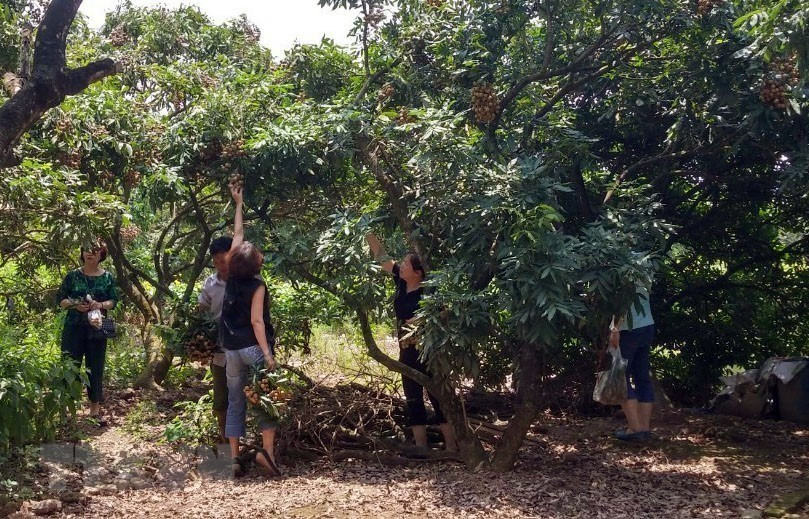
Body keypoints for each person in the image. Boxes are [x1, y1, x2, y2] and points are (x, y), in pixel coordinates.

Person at [365, 233, 457, 452]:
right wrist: (368, 233)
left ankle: (452, 446)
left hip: (428, 351)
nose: (401, 265)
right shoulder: (401, 280)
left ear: (418, 272)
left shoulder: (429, 291)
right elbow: (382, 257)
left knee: (437, 397)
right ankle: (421, 447)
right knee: (413, 397)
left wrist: (423, 318)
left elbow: (448, 310)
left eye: (406, 263)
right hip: (406, 349)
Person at [221, 239, 280, 477]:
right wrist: (267, 354)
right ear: (256, 263)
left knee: (235, 401)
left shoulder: (230, 280)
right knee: (265, 399)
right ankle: (267, 452)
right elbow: (257, 321)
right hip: (252, 347)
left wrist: (238, 205)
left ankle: (234, 458)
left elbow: (236, 237)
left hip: (231, 349)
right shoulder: (258, 285)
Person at [198, 185, 244, 443]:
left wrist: (238, 203)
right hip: (219, 348)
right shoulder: (210, 284)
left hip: (243, 346)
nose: (220, 264)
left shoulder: (243, 280)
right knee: (221, 395)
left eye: (224, 259)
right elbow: (202, 310)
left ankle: (241, 439)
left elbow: (239, 235)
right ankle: (226, 439)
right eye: (216, 261)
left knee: (246, 393)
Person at [57, 242, 119, 425]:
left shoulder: (108, 277)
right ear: (82, 253)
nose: (90, 253)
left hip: (97, 327)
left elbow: (113, 300)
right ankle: (68, 408)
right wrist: (76, 305)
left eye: (95, 250)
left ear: (102, 254)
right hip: (73, 327)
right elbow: (60, 299)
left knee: (96, 365)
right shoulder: (72, 276)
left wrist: (100, 305)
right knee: (70, 365)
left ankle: (94, 409)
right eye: (86, 249)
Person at [610, 287, 655, 441]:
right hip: (647, 324)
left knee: (621, 377)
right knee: (642, 377)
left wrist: (615, 329)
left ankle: (635, 429)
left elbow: (623, 299)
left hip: (628, 328)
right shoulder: (647, 264)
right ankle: (644, 428)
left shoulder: (624, 267)